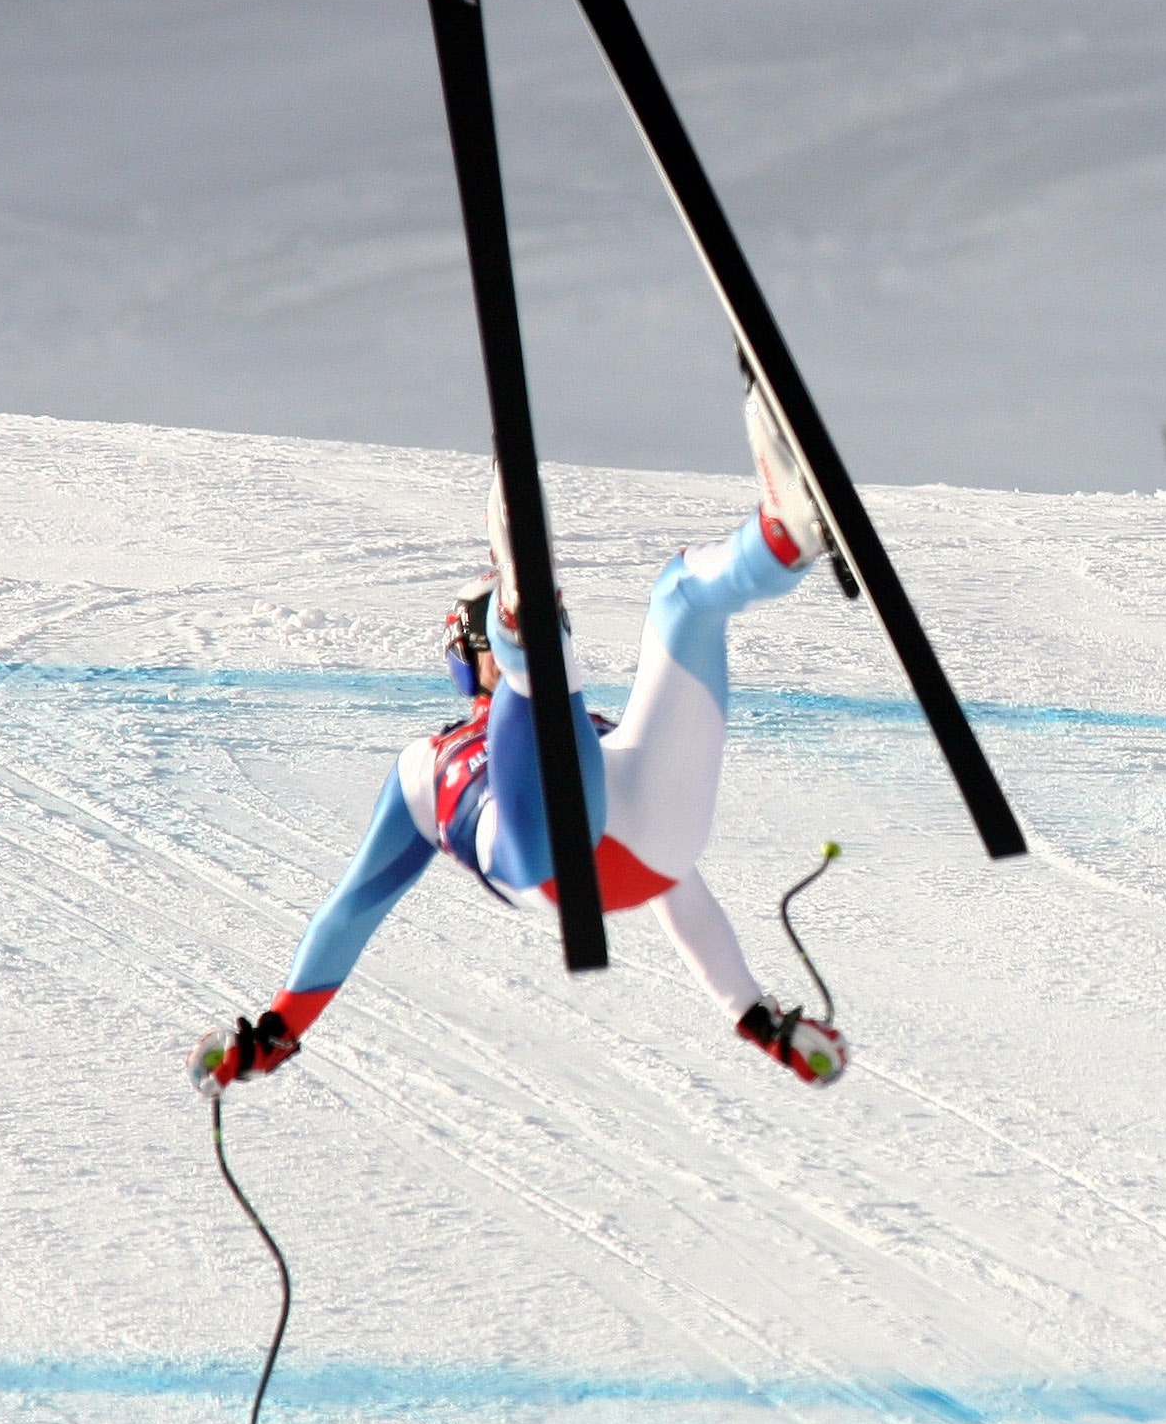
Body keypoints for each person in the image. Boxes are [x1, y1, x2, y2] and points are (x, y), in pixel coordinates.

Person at [191, 394, 848, 1096]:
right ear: (465, 657)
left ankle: (779, 540)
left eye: (496, 641)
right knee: (536, 699)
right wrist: (276, 1031)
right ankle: (524, 622)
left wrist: (757, 1019)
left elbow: (682, 893)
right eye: (486, 648)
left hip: (650, 843)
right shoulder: (424, 766)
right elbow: (355, 905)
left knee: (681, 596)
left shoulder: (569, 723)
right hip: (540, 854)